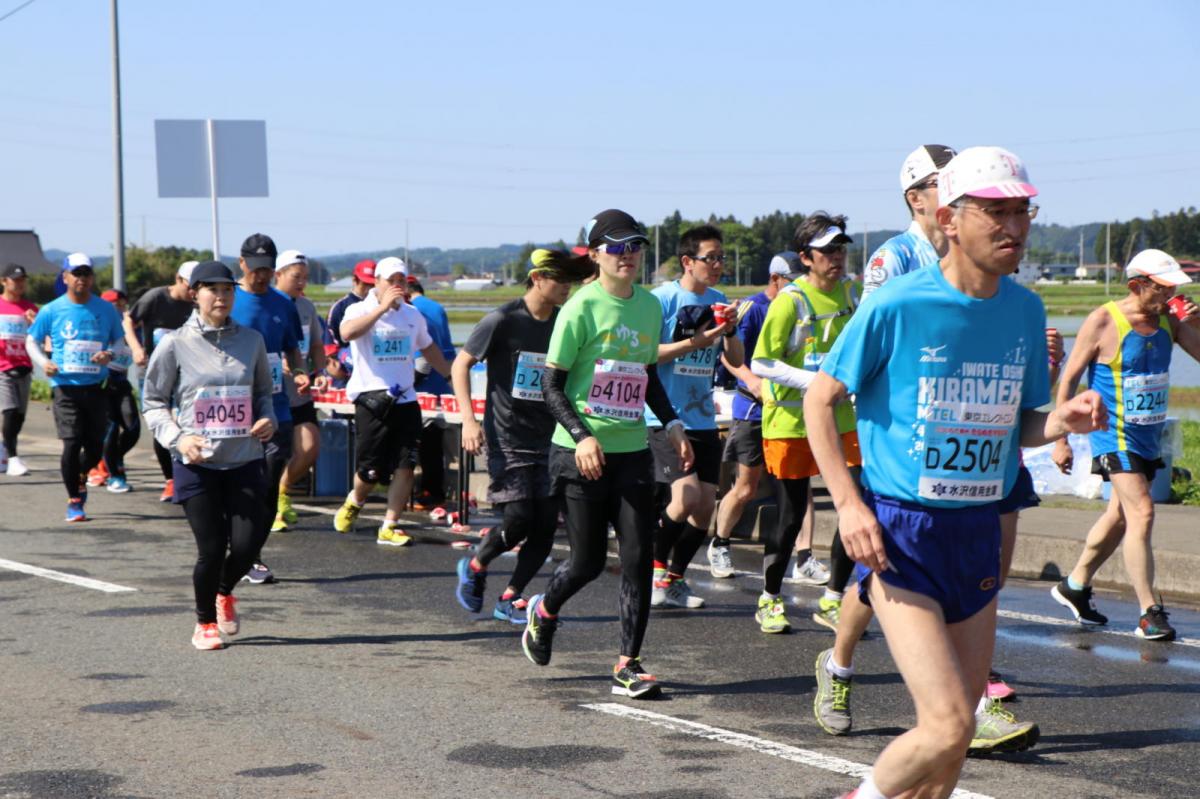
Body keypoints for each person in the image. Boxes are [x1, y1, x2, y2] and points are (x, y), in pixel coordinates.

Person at [804, 147, 1106, 799]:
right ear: (949, 218)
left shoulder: (1024, 311)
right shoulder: (897, 303)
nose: (1014, 226)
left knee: (952, 749)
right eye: (994, 211)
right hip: (902, 533)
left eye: (1021, 210)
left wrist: (1062, 420)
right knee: (945, 726)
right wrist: (849, 506)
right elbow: (819, 399)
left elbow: (1019, 422)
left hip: (976, 528)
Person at [521, 209, 693, 700]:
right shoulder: (580, 308)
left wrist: (674, 423)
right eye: (618, 247)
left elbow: (645, 376)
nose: (629, 255)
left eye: (636, 246)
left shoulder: (647, 307)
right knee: (588, 563)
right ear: (595, 255)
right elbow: (551, 386)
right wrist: (582, 436)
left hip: (633, 451)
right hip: (580, 454)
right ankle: (544, 609)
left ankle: (628, 663)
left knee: (638, 558)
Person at [1051, 249, 1200, 642]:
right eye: (1162, 289)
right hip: (1112, 433)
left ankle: (1075, 585)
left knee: (1120, 517)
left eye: (1173, 289)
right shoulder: (1104, 320)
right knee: (1144, 512)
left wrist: (1196, 323)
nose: (1168, 297)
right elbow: (1068, 382)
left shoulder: (1169, 320)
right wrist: (1061, 439)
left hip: (1148, 436)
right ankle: (1149, 611)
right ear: (1137, 285)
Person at [451, 249, 592, 622]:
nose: (566, 288)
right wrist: (468, 419)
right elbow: (460, 364)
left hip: (549, 437)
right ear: (537, 279)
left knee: (546, 525)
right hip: (506, 436)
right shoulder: (502, 319)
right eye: (560, 280)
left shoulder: (564, 323)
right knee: (518, 519)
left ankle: (511, 597)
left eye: (570, 282)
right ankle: (477, 564)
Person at [142, 261, 277, 650]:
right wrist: (178, 439)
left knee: (249, 546)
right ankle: (204, 623)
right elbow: (152, 400)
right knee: (213, 548)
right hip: (197, 463)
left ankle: (223, 592)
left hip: (245, 457)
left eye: (227, 290)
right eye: (212, 289)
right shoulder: (175, 343)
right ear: (195, 293)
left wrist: (267, 419)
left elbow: (264, 395)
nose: (221, 296)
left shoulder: (251, 340)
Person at [747, 214, 858, 635]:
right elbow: (760, 362)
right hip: (790, 421)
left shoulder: (853, 291)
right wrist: (817, 383)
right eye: (828, 250)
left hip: (842, 420)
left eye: (841, 249)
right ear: (806, 258)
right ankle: (770, 598)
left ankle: (832, 599)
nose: (837, 257)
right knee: (791, 515)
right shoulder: (789, 301)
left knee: (855, 504)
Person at [644, 224, 743, 609]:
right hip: (664, 416)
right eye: (710, 258)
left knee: (705, 506)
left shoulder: (719, 300)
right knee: (684, 497)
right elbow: (647, 354)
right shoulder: (663, 299)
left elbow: (735, 361)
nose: (718, 265)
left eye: (721, 258)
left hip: (703, 417)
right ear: (687, 261)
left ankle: (675, 579)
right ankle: (652, 571)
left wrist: (730, 332)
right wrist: (694, 342)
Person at [333, 257, 452, 542]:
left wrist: (450, 375)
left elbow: (429, 348)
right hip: (371, 398)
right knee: (370, 470)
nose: (397, 286)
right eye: (391, 281)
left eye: (401, 280)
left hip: (405, 399)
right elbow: (346, 333)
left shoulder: (412, 315)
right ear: (377, 282)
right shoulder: (358, 309)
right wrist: (381, 309)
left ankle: (389, 525)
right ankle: (355, 501)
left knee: (406, 464)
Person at [708, 253, 805, 578]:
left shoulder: (802, 307)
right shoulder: (752, 308)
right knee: (747, 487)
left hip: (790, 413)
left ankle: (804, 558)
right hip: (752, 408)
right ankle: (720, 543)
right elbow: (729, 355)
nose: (799, 284)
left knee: (798, 485)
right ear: (775, 278)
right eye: (792, 279)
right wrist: (752, 381)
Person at [230, 233, 306, 584]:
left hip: (275, 407)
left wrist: (302, 371)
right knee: (239, 485)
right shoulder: (226, 300)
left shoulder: (282, 304)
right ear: (242, 264)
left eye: (267, 269)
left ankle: (252, 555)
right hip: (231, 408)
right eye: (256, 268)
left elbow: (292, 349)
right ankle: (239, 550)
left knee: (270, 480)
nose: (261, 275)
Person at [24, 253, 124, 521]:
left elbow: (119, 341)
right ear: (65, 277)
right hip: (65, 387)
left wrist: (109, 355)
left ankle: (80, 474)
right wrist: (43, 362)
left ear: (92, 277)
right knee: (71, 444)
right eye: (76, 273)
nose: (82, 278)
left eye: (86, 273)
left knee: (94, 446)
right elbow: (31, 341)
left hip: (96, 386)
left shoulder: (105, 309)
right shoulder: (52, 310)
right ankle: (74, 500)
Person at [127, 259, 199, 501]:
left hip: (185, 374)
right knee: (163, 423)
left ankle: (187, 475)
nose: (194, 292)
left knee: (185, 423)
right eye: (191, 286)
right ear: (178, 279)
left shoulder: (197, 303)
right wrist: (136, 347)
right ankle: (170, 480)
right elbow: (129, 320)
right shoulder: (155, 298)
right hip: (152, 372)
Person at [271, 250, 328, 532]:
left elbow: (316, 347)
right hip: (272, 391)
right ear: (277, 275)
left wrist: (320, 373)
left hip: (300, 389)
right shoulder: (268, 305)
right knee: (272, 453)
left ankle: (281, 493)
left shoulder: (306, 307)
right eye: (296, 277)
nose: (302, 282)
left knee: (310, 447)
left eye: (306, 277)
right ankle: (270, 505)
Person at [862, 144, 957, 299]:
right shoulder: (894, 256)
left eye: (960, 182)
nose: (957, 191)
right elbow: (871, 321)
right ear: (915, 199)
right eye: (944, 182)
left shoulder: (972, 253)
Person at [407, 277, 456, 510]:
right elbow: (447, 351)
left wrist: (407, 383)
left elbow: (422, 361)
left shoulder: (411, 311)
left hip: (421, 389)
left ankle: (423, 492)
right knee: (434, 444)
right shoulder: (437, 308)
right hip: (441, 387)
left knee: (418, 444)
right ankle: (436, 492)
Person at [95, 289, 139, 493]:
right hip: (102, 384)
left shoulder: (131, 329)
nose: (118, 308)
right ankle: (116, 476)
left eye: (121, 304)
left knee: (133, 429)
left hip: (122, 383)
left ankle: (110, 458)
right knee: (110, 431)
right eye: (113, 305)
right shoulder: (99, 325)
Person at [0, 262, 38, 477]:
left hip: (24, 366)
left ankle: (4, 448)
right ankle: (13, 458)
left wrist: (35, 323)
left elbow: (40, 339)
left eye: (23, 280)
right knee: (10, 410)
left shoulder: (30, 308)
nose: (20, 284)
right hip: (2, 368)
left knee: (19, 416)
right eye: (15, 280)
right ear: (4, 282)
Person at [326, 259, 375, 386]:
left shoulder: (380, 307)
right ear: (355, 280)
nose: (369, 289)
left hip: (373, 371)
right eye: (365, 284)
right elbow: (330, 341)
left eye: (372, 284)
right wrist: (335, 366)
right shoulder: (340, 307)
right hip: (346, 372)